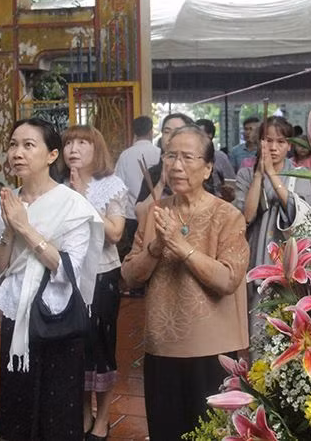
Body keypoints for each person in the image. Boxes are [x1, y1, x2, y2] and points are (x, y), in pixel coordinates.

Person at [121, 125, 249, 440]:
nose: (176, 165)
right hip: (162, 344)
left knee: (212, 433)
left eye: (187, 157)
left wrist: (183, 248)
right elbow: (130, 275)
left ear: (208, 168)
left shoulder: (227, 216)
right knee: (166, 431)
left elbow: (229, 279)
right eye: (170, 156)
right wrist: (156, 247)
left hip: (213, 349)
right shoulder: (154, 212)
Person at [0, 118, 104, 440]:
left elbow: (68, 271)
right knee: (17, 399)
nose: (17, 153)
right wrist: (9, 230)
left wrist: (25, 228)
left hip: (57, 315)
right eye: (13, 145)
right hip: (17, 311)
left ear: (52, 155)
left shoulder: (73, 205)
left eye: (28, 145)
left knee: (57, 406)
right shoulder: (7, 203)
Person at [62, 125, 128, 440]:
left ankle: (102, 417)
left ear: (96, 149)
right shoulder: (57, 186)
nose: (73, 149)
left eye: (82, 143)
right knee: (73, 346)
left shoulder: (111, 186)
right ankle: (82, 412)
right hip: (66, 275)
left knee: (100, 346)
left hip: (102, 274)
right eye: (68, 143)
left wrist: (82, 200)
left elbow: (115, 233)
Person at [234, 116, 311, 347]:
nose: (273, 147)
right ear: (259, 142)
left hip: (290, 260)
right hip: (257, 256)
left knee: (292, 326)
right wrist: (259, 175)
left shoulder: (300, 173)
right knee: (258, 324)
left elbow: (300, 215)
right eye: (268, 140)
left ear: (289, 145)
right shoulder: (246, 174)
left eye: (280, 141)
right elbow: (246, 217)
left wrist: (272, 174)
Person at [114, 116, 161, 261]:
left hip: (131, 216)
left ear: (134, 132)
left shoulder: (125, 155)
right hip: (157, 214)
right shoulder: (159, 153)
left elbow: (118, 187)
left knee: (134, 254)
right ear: (151, 131)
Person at [134, 113, 193, 221]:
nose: (170, 136)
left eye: (177, 131)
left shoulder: (196, 170)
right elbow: (140, 215)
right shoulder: (152, 174)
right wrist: (161, 183)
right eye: (166, 131)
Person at [196, 118, 235, 201]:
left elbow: (231, 183)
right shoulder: (189, 157)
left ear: (210, 135)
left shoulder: (220, 157)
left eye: (199, 134)